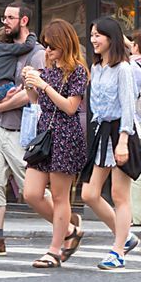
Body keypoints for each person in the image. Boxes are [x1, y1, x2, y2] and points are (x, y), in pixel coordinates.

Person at [16, 18, 92, 268]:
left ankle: (54, 249)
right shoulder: (47, 70)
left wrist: (43, 85)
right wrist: (30, 84)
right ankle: (70, 229)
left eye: (52, 46)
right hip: (45, 135)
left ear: (64, 45)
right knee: (31, 193)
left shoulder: (78, 71)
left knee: (60, 197)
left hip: (66, 136)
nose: (47, 51)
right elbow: (37, 102)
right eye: (46, 46)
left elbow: (70, 107)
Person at [0, 2, 43, 255]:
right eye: (4, 17)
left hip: (21, 131)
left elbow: (33, 92)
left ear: (24, 20)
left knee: (31, 188)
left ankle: (67, 226)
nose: (5, 21)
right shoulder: (2, 48)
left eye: (11, 17)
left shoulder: (36, 53)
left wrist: (2, 105)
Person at [82, 16, 141, 269]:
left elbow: (128, 106)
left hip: (121, 131)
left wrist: (123, 141)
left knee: (120, 195)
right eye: (92, 34)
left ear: (111, 37)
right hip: (101, 132)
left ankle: (118, 250)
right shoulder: (96, 68)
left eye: (99, 35)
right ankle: (125, 236)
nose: (94, 39)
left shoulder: (124, 69)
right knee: (89, 193)